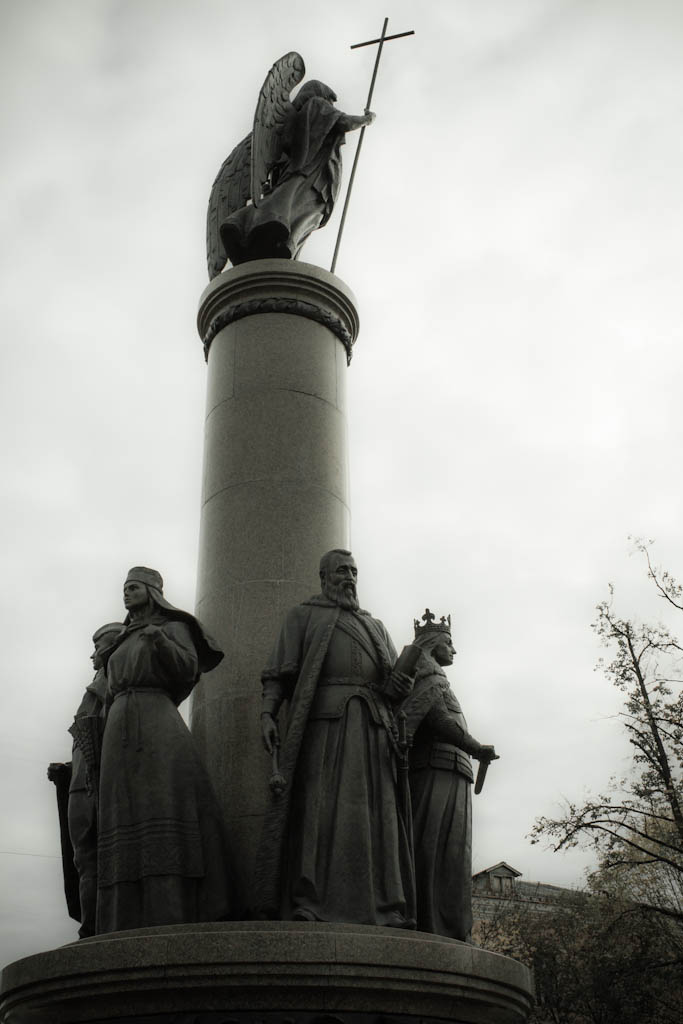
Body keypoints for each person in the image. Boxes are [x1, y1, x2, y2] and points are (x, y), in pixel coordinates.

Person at [254, 549, 415, 926]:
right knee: (318, 812)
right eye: (342, 571)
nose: (350, 578)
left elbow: (393, 687)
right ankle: (311, 901)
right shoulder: (302, 616)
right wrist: (267, 713)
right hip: (324, 727)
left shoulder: (375, 626)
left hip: (373, 730)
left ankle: (385, 906)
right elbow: (278, 675)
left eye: (354, 572)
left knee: (377, 817)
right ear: (323, 577)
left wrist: (403, 682)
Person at [96, 566, 232, 933]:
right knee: (121, 814)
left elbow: (188, 670)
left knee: (162, 807)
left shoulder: (173, 628)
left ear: (153, 591)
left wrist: (160, 641)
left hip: (157, 720)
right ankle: (121, 917)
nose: (126, 593)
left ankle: (169, 908)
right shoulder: (121, 639)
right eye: (125, 588)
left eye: (133, 587)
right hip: (118, 726)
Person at [399, 611, 497, 940]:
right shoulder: (426, 674)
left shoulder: (437, 677)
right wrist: (476, 747)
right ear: (432, 643)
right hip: (434, 769)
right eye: (449, 642)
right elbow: (439, 720)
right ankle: (429, 921)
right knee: (432, 848)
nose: (454, 649)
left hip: (455, 771)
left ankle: (451, 926)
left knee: (455, 853)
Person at [221, 81, 374, 265]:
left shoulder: (293, 119)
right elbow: (343, 122)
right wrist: (367, 119)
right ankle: (248, 227)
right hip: (313, 176)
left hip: (300, 175)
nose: (331, 107)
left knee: (294, 211)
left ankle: (251, 231)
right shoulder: (317, 104)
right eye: (330, 101)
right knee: (298, 213)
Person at [47, 621, 123, 937]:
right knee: (84, 858)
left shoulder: (114, 687)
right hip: (79, 783)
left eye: (97, 646)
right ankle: (91, 925)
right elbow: (88, 743)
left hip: (97, 784)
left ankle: (97, 927)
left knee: (96, 856)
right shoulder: (96, 689)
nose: (92, 654)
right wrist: (66, 770)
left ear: (113, 647)